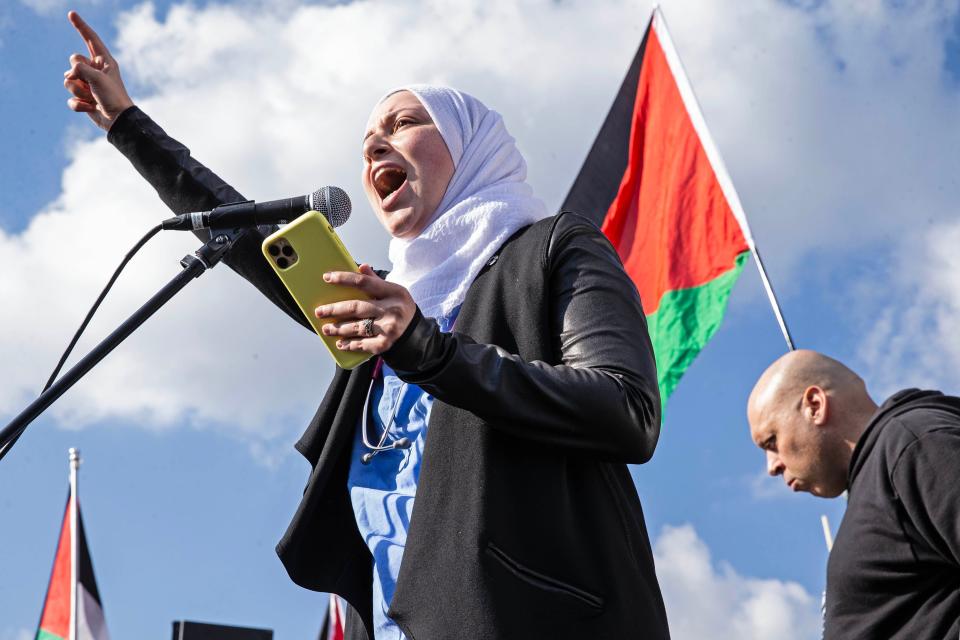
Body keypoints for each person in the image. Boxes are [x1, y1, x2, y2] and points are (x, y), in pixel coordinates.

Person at [63, 11, 671, 639]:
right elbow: (243, 232)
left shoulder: (552, 250)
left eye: (403, 123)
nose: (376, 145)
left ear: (471, 147)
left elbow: (625, 410)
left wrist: (428, 352)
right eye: (365, 144)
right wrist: (127, 125)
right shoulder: (382, 301)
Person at [747, 349, 960, 640]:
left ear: (814, 405)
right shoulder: (882, 472)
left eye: (771, 441)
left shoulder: (911, 443)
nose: (771, 467)